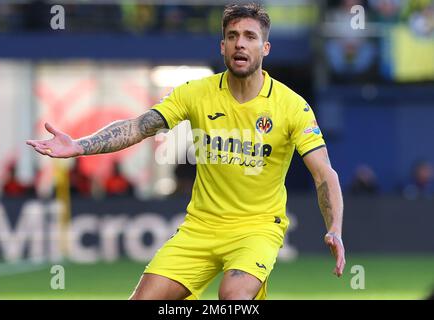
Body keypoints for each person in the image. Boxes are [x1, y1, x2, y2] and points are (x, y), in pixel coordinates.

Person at [26, 3, 345, 300]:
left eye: (250, 37)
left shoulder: (291, 106)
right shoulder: (196, 94)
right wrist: (80, 145)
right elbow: (140, 126)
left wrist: (334, 228)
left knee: (232, 298)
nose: (240, 44)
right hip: (200, 227)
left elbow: (323, 173)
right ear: (222, 47)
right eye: (232, 36)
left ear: (265, 48)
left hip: (257, 228)